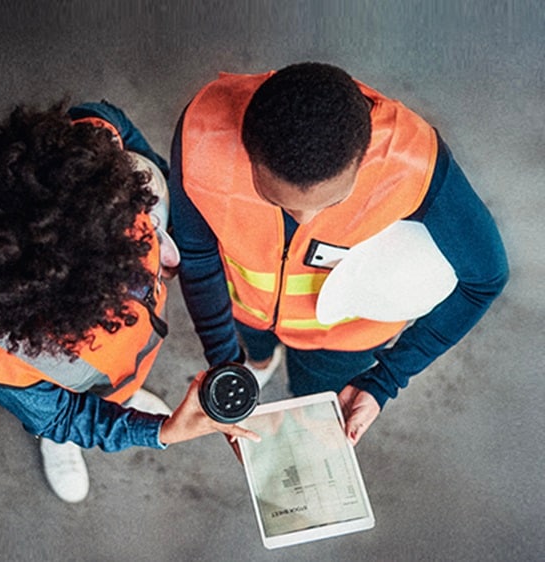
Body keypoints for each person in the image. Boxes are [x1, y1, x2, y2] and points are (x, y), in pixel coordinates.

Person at [0, 101, 259, 503]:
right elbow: (62, 414)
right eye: (126, 284)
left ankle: (125, 396)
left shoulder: (106, 183)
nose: (163, 261)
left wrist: (152, 191)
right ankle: (60, 442)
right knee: (68, 417)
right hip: (75, 390)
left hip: (131, 357)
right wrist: (155, 430)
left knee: (122, 388)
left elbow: (111, 124)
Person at [169, 62, 508, 445]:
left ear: (364, 159)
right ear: (249, 152)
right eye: (275, 199)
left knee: (312, 400)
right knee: (253, 350)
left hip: (342, 342)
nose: (305, 219)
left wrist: (385, 379)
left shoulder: (412, 163)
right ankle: (258, 362)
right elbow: (197, 253)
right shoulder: (203, 135)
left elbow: (484, 279)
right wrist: (225, 365)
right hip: (245, 309)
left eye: (332, 202)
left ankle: (273, 372)